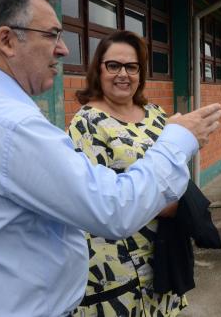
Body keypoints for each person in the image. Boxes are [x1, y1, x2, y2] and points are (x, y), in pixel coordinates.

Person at [0, 0, 221, 317]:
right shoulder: (10, 124)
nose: (63, 48)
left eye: (132, 67)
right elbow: (112, 209)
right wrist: (178, 139)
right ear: (7, 40)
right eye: (52, 35)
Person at [68, 30, 186, 316]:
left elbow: (176, 166)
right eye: (113, 66)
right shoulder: (87, 123)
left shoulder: (156, 114)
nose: (123, 74)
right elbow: (100, 197)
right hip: (115, 262)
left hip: (162, 253)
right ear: (99, 69)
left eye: (131, 67)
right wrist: (167, 199)